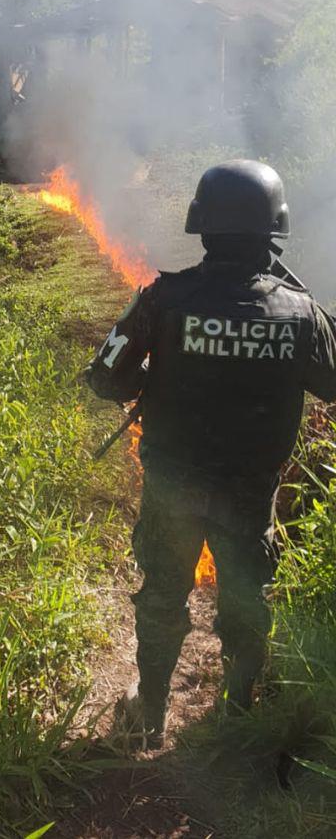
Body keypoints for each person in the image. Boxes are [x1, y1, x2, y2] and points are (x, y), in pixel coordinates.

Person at [86, 159, 336, 749]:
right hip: (251, 493)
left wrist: (155, 369)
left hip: (172, 482)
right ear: (274, 230)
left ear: (201, 224)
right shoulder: (300, 313)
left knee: (162, 595)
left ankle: (150, 714)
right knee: (247, 603)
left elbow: (105, 378)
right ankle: (237, 719)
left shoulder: (164, 298)